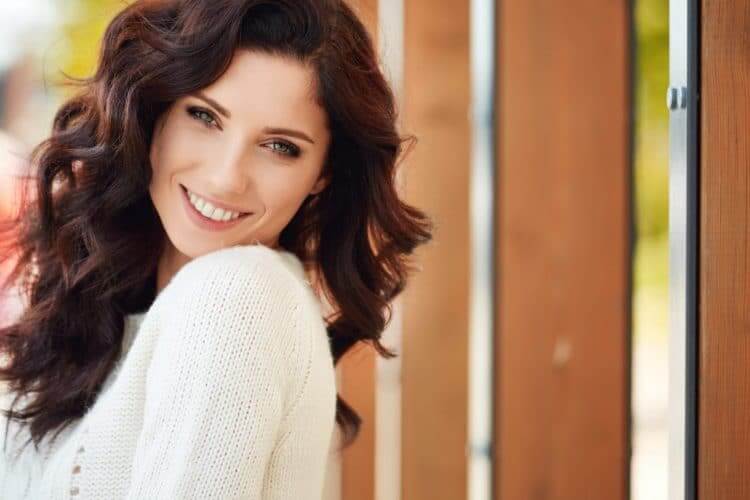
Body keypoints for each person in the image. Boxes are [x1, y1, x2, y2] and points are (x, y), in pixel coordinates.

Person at [0, 0, 433, 498]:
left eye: (280, 146)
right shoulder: (125, 309)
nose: (226, 177)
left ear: (322, 176)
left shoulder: (236, 298)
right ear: (155, 112)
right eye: (205, 117)